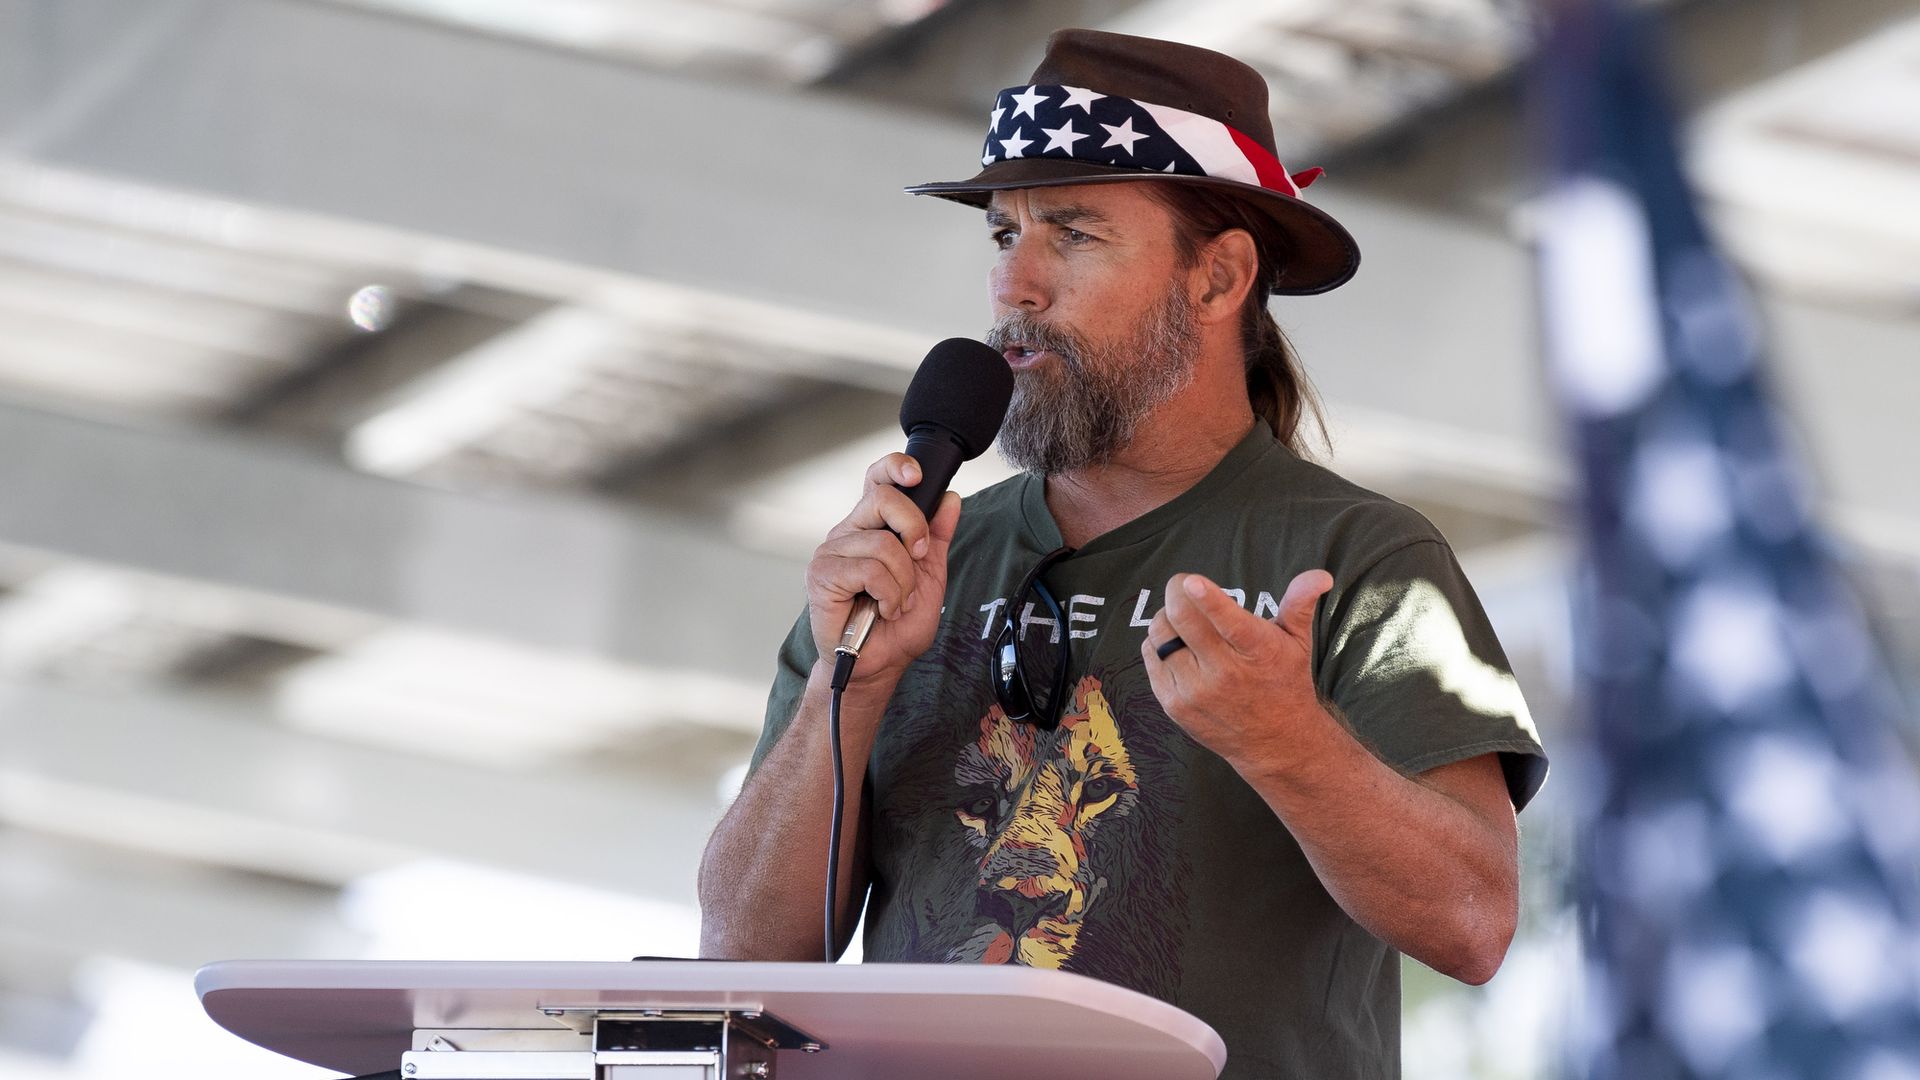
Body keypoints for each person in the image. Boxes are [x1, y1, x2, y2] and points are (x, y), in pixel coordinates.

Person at [698, 28, 1548, 1079]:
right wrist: (852, 682)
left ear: (1219, 274)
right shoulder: (907, 564)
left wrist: (1287, 740)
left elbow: (1474, 925)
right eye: (1002, 236)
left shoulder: (1357, 557)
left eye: (1075, 234)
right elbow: (743, 959)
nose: (1017, 286)